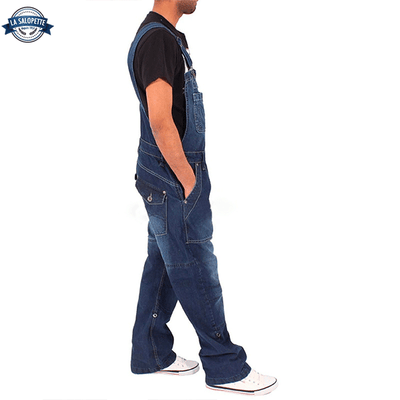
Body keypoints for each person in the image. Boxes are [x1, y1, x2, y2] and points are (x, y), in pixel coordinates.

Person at [127, 0, 278, 395]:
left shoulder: (163, 36)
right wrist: (188, 180)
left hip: (161, 176)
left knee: (163, 263)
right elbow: (161, 120)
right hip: (173, 177)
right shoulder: (158, 40)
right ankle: (225, 365)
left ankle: (150, 352)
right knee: (196, 265)